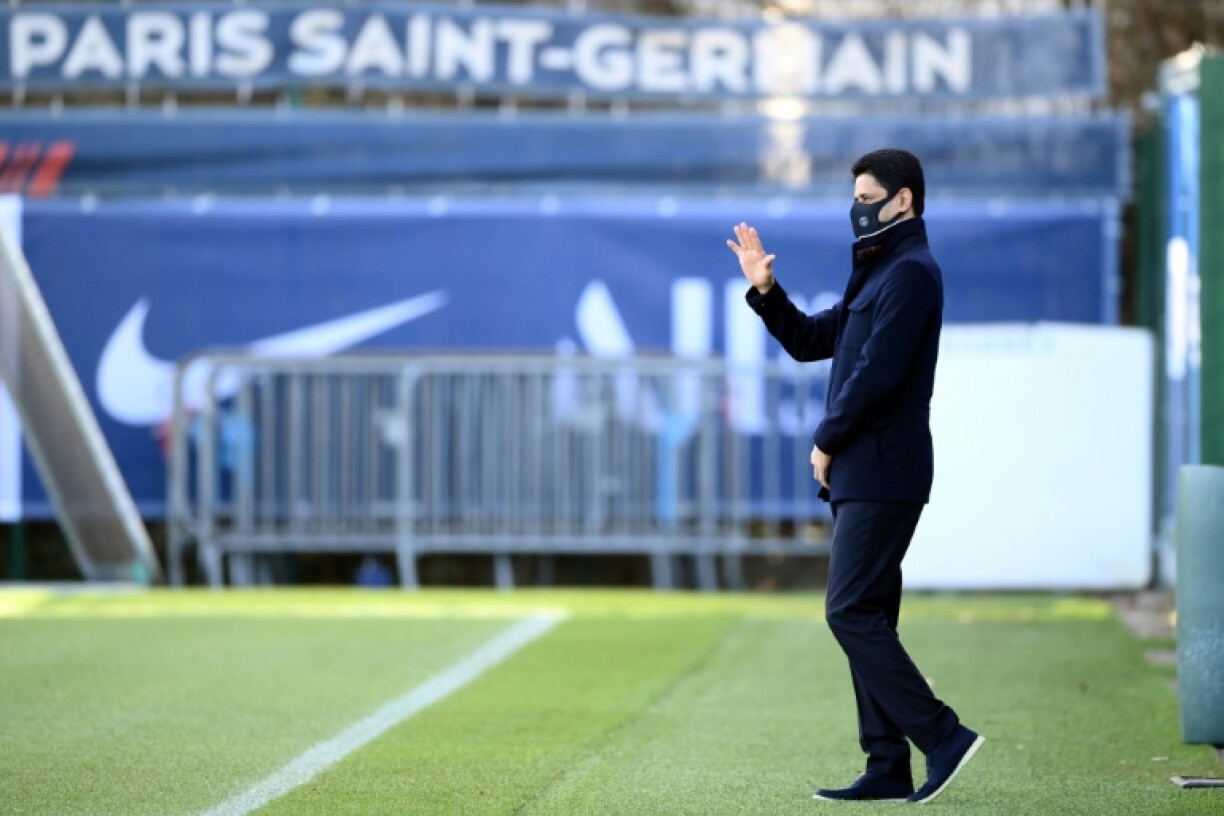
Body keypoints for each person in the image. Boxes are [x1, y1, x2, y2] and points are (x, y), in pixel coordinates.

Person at [726, 149, 983, 804]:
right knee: (869, 612)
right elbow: (814, 340)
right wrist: (764, 290)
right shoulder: (878, 274)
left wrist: (827, 438)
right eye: (856, 193)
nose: (858, 205)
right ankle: (886, 764)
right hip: (866, 471)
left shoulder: (913, 273)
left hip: (883, 469)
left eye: (870, 194)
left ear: (904, 201)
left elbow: (879, 374)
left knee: (846, 610)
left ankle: (943, 736)